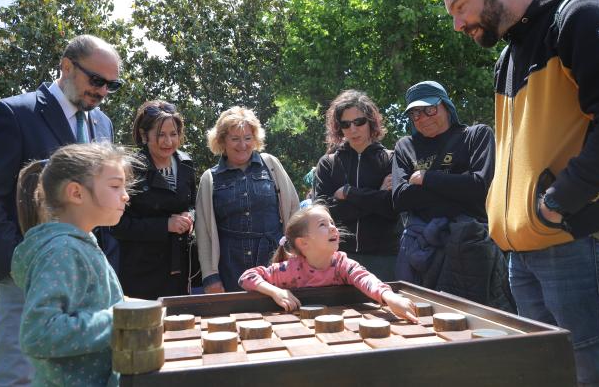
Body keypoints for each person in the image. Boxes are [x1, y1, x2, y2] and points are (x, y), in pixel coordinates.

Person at [437, 0, 599, 384]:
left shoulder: (581, 18)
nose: (458, 23)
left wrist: (557, 202)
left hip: (578, 241)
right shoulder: (508, 56)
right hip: (523, 253)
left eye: (461, 7)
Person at [0, 34, 123, 385]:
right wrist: (19, 265)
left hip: (89, 272)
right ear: (66, 66)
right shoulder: (13, 113)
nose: (103, 92)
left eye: (112, 85)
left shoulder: (103, 124)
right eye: (96, 80)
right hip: (29, 276)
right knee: (14, 375)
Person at [10, 142, 132, 385]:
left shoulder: (79, 242)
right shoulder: (62, 251)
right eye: (115, 186)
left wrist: (128, 305)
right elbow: (39, 333)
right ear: (76, 193)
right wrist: (121, 320)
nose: (125, 195)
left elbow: (89, 302)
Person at [391, 81, 512, 311]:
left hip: (470, 247)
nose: (423, 117)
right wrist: (457, 186)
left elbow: (480, 188)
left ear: (446, 106)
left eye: (430, 108)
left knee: (477, 322)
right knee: (422, 321)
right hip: (421, 251)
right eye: (415, 113)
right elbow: (399, 198)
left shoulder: (476, 135)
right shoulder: (405, 146)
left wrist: (427, 178)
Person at [238, 204, 417, 322]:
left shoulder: (341, 264)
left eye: (331, 222)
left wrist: (390, 297)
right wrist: (276, 291)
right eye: (323, 225)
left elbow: (365, 279)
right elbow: (246, 277)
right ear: (303, 243)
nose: (333, 227)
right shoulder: (290, 269)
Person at [195, 106, 299, 293]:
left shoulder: (271, 165)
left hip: (275, 264)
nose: (242, 145)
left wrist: (296, 257)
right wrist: (211, 277)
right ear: (222, 141)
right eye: (235, 138)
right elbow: (203, 233)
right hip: (229, 268)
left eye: (248, 138)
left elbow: (294, 212)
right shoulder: (209, 178)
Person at [112, 100, 200, 299]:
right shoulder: (129, 168)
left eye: (173, 134)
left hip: (181, 270)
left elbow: (191, 204)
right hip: (141, 273)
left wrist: (190, 216)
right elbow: (117, 225)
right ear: (144, 135)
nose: (168, 142)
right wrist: (165, 225)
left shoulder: (186, 164)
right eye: (160, 135)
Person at [314, 90, 398, 280]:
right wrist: (376, 196)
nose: (353, 129)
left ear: (371, 122)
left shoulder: (391, 159)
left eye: (359, 122)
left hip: (384, 258)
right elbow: (322, 213)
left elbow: (391, 208)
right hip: (339, 257)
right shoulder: (328, 163)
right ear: (339, 127)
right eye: (346, 124)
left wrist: (348, 193)